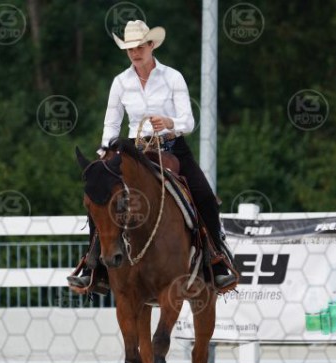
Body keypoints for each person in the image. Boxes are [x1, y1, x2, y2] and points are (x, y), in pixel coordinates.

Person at [68, 20, 237, 290]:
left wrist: (169, 122)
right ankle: (92, 264)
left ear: (151, 45)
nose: (135, 53)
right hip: (133, 150)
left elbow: (188, 121)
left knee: (204, 196)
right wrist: (104, 154)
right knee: (100, 194)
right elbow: (111, 124)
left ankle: (216, 259)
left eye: (139, 47)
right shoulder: (120, 82)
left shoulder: (173, 77)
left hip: (171, 147)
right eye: (130, 49)